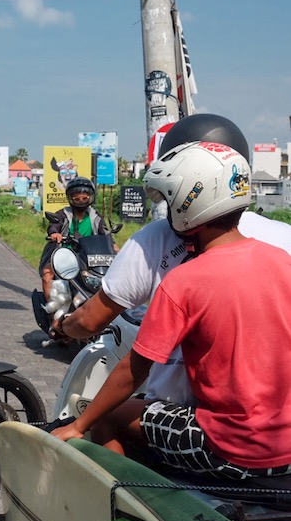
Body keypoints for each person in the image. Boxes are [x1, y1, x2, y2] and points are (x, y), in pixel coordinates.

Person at [53, 141, 291, 479]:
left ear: (187, 204)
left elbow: (133, 370)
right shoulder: (282, 260)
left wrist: (79, 424)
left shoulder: (183, 281)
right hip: (287, 446)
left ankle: (137, 510)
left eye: (169, 199)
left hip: (228, 449)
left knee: (105, 417)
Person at [38, 177, 110, 305]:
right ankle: (52, 309)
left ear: (91, 197)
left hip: (89, 257)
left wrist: (114, 246)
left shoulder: (96, 217)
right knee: (47, 274)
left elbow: (104, 233)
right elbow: (54, 225)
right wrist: (55, 234)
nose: (81, 201)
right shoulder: (63, 214)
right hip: (65, 256)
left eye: (84, 198)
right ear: (70, 198)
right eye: (77, 198)